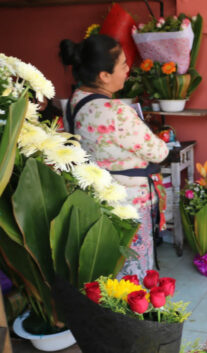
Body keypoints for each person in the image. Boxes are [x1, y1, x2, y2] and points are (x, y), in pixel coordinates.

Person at [59, 34, 169, 278]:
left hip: (97, 199)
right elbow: (160, 152)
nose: (128, 70)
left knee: (110, 269)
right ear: (104, 76)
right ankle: (135, 315)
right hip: (130, 205)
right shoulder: (117, 112)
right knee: (135, 271)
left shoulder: (74, 103)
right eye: (122, 65)